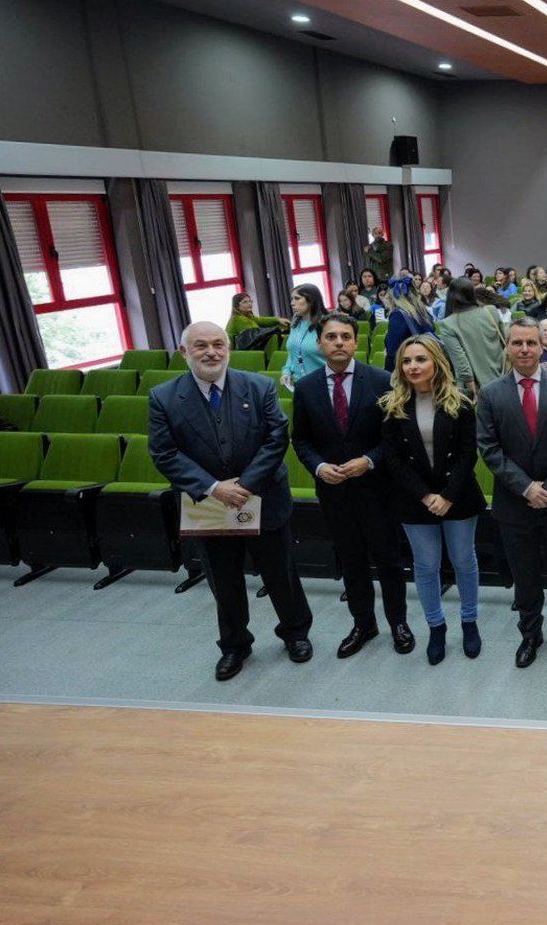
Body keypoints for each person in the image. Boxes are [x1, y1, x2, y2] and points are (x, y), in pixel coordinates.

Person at [149, 322, 313, 681]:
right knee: (223, 581)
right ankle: (235, 645)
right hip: (207, 504)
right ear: (184, 352)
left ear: (228, 348)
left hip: (263, 496)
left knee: (281, 573)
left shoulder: (259, 386)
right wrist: (212, 488)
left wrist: (246, 484)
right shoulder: (163, 397)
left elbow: (275, 439)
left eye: (219, 344)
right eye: (201, 346)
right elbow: (164, 453)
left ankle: (295, 633)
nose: (212, 352)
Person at [290, 313, 412, 658]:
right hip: (334, 493)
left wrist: (370, 460)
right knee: (352, 562)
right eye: (331, 337)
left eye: (346, 336)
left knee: (388, 561)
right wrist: (318, 466)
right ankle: (363, 624)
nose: (339, 342)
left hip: (378, 491)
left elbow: (396, 438)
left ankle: (398, 622)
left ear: (356, 342)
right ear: (320, 343)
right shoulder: (306, 387)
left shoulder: (382, 381)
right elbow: (300, 440)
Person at [477, 318, 547, 667]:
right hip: (515, 502)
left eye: (530, 343)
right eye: (517, 343)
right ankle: (530, 634)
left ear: (542, 346)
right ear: (507, 348)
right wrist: (526, 487)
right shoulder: (491, 393)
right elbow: (488, 447)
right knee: (524, 576)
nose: (524, 349)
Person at [380, 335, 485, 665]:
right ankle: (436, 627)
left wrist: (447, 496)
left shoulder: (461, 403)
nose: (413, 366)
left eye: (420, 359)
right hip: (416, 499)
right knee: (425, 567)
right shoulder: (391, 406)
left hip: (458, 497)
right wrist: (426, 496)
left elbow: (469, 454)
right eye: (407, 361)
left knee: (463, 561)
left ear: (436, 362)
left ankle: (469, 622)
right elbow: (393, 460)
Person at [437, 278, 507, 397]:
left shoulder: (447, 324)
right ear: (472, 293)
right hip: (504, 378)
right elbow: (504, 341)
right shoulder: (491, 310)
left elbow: (461, 363)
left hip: (478, 388)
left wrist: (472, 393)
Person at [279, 284, 328, 391]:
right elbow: (293, 353)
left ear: (311, 300)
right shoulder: (295, 323)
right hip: (299, 386)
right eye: (292, 299)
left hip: (324, 385)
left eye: (297, 298)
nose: (292, 303)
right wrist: (287, 371)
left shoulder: (327, 324)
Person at [380, 276, 435, 372]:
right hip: (427, 366)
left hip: (409, 370)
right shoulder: (423, 312)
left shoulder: (398, 315)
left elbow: (393, 351)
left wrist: (388, 376)